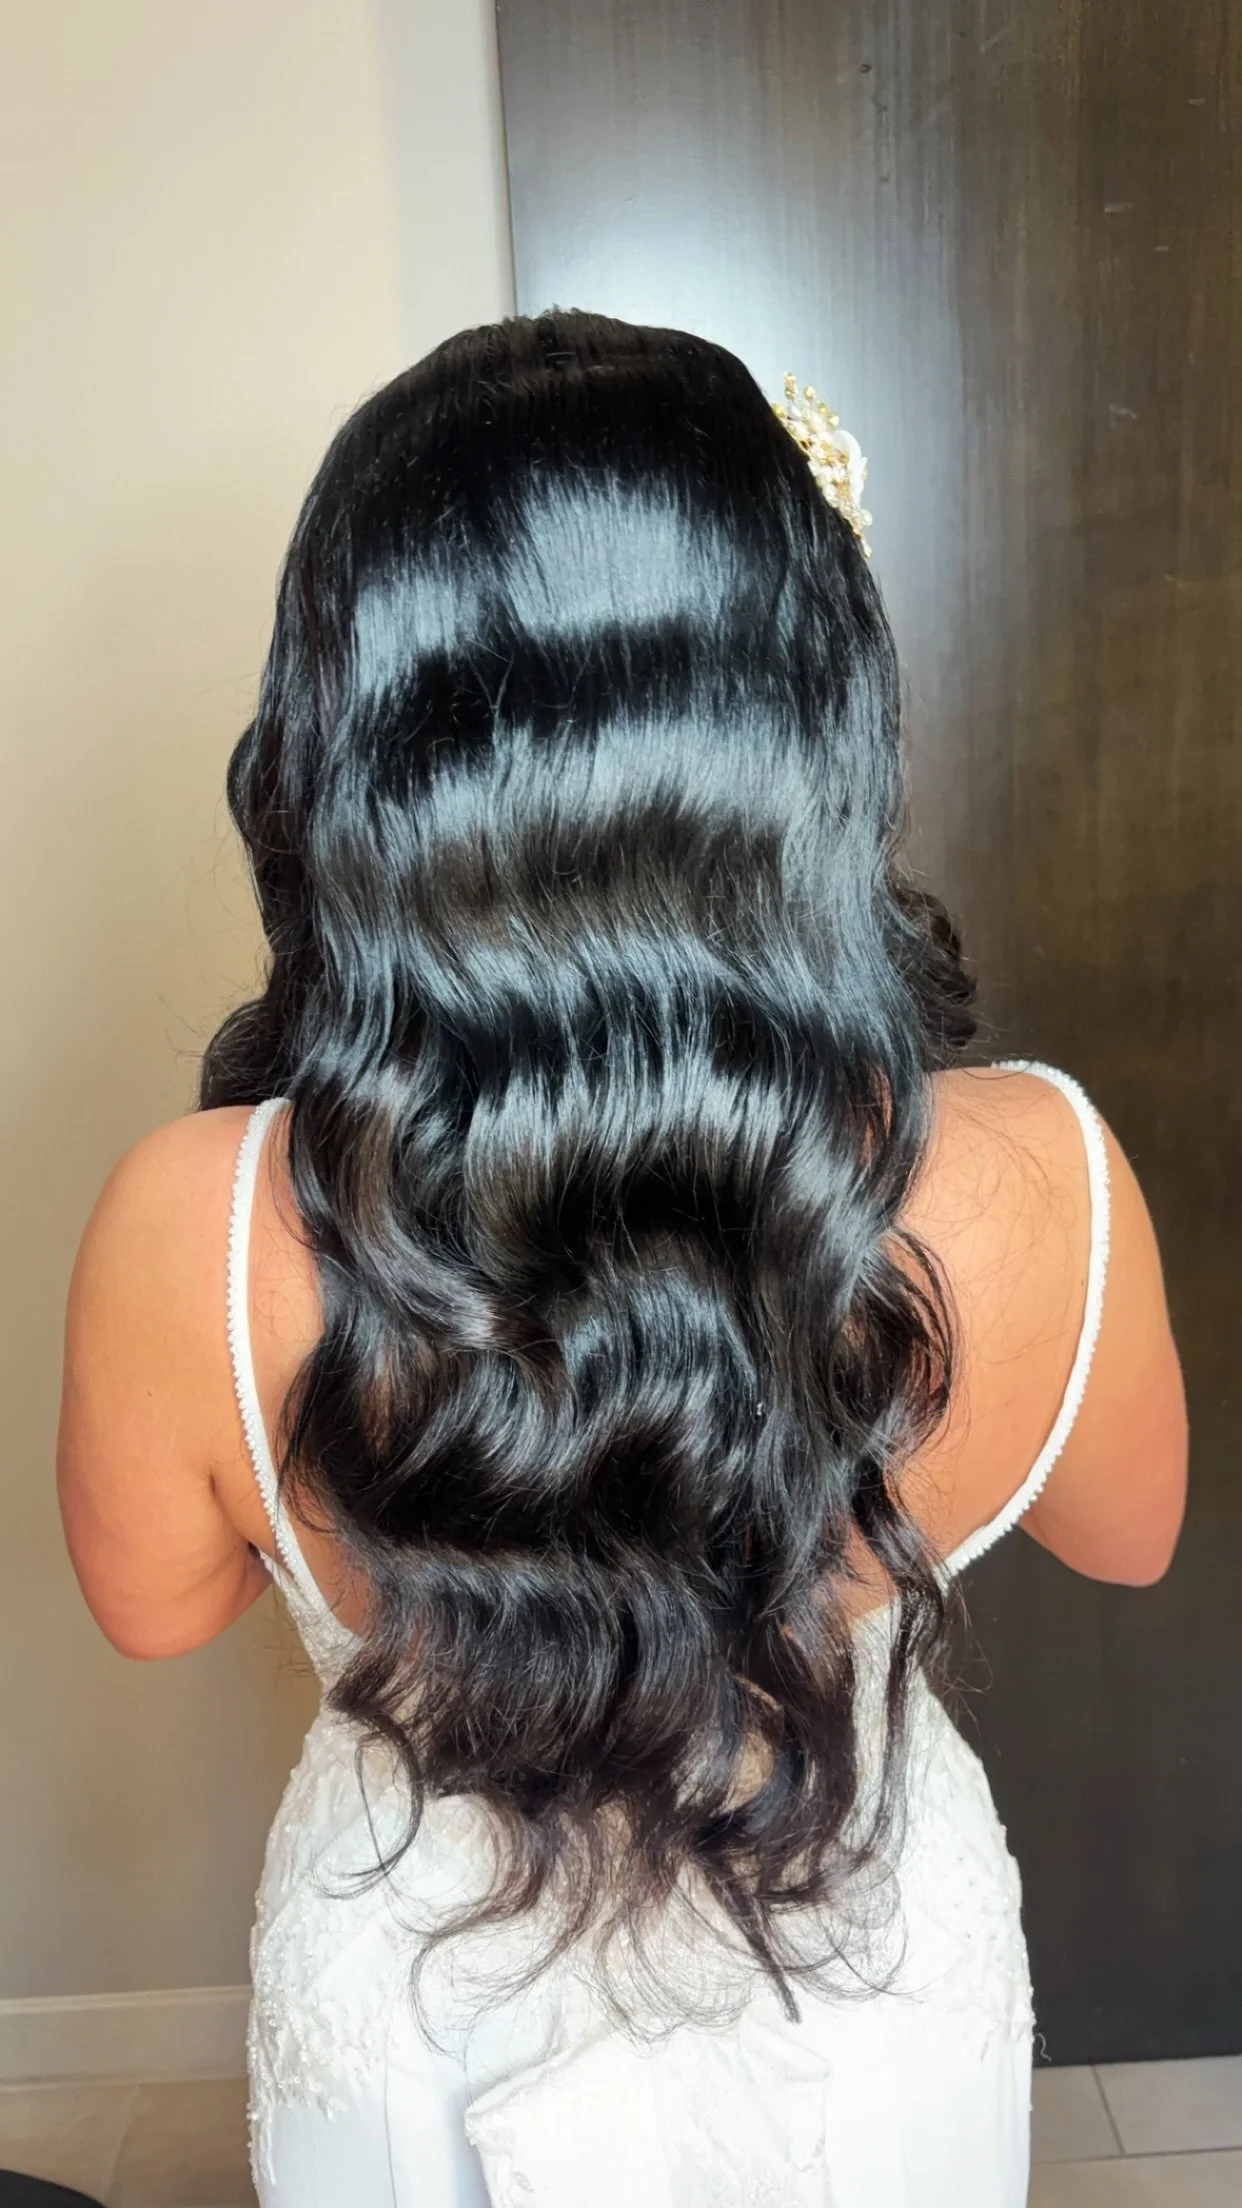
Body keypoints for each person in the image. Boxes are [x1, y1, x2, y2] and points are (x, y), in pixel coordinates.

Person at [57, 313, 1187, 2207]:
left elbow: (153, 1609)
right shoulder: (1039, 1175)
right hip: (858, 1986)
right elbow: (1129, 1531)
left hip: (414, 2000)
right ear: (809, 701)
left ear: (351, 732)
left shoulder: (192, 1216)